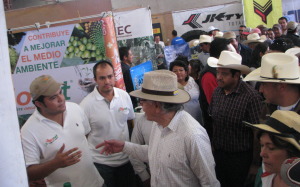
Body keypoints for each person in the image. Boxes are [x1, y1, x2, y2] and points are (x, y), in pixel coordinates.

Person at [96, 70, 220, 187]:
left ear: (156, 105)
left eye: (142, 101)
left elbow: (209, 182)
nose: (141, 105)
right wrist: (124, 146)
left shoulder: (192, 135)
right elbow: (155, 153)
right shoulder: (158, 123)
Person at [20, 75, 104, 187]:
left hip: (96, 182)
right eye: (53, 98)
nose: (61, 99)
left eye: (60, 92)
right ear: (39, 104)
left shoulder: (75, 108)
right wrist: (55, 164)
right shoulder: (28, 131)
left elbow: (86, 134)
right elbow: (29, 173)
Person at [208, 51, 263, 187]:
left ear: (237, 75)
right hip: (219, 155)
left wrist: (255, 164)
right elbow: (213, 121)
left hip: (241, 159)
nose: (219, 77)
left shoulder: (251, 97)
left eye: (224, 74)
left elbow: (257, 133)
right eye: (218, 73)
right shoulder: (217, 92)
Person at [80, 60, 136, 187]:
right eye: (102, 78)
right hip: (100, 164)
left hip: (126, 160)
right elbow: (83, 135)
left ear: (114, 76)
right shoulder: (86, 105)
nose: (107, 81)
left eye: (110, 76)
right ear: (95, 79)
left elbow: (129, 122)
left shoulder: (124, 96)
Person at [243, 110, 300, 187]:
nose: (262, 154)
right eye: (262, 145)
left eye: (271, 148)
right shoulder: (264, 171)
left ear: (292, 152)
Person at [244, 53, 300, 119]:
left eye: (264, 84)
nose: (260, 90)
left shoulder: (266, 107)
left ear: (282, 86)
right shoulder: (265, 108)